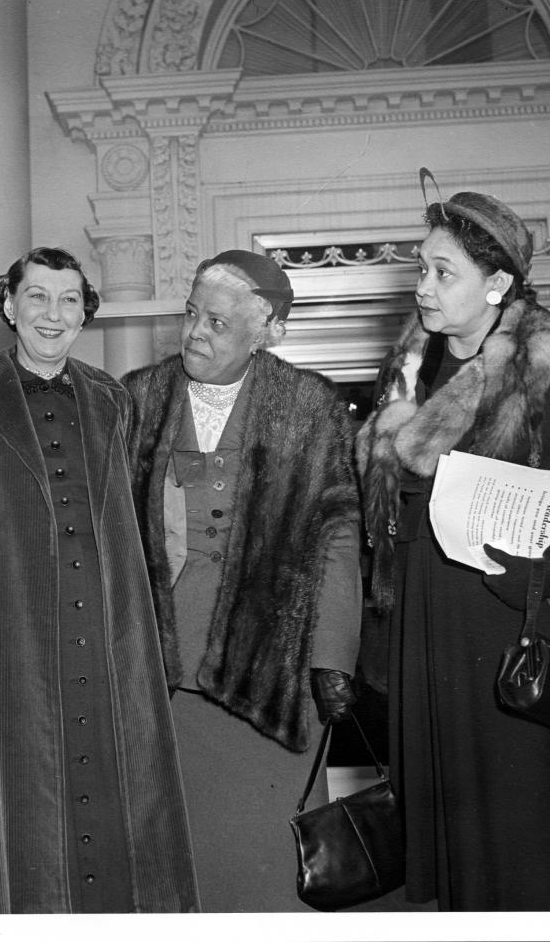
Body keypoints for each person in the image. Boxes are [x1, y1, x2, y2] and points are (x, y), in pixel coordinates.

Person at [356, 180, 550, 910]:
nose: (423, 287)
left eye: (442, 272)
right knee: (467, 859)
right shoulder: (410, 374)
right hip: (432, 633)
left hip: (514, 618)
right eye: (420, 269)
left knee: (531, 849)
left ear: (496, 284)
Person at [0, 246, 198, 913]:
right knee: (25, 792)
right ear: (9, 305)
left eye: (67, 300)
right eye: (37, 297)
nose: (52, 314)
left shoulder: (113, 400)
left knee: (123, 791)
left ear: (84, 312)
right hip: (12, 627)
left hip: (106, 623)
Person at [122, 250, 362, 912]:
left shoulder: (308, 405)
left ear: (267, 330)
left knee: (273, 865)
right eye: (191, 313)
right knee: (179, 857)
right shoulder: (138, 397)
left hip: (275, 673)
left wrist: (332, 656)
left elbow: (339, 532)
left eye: (218, 322)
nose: (195, 331)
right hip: (165, 671)